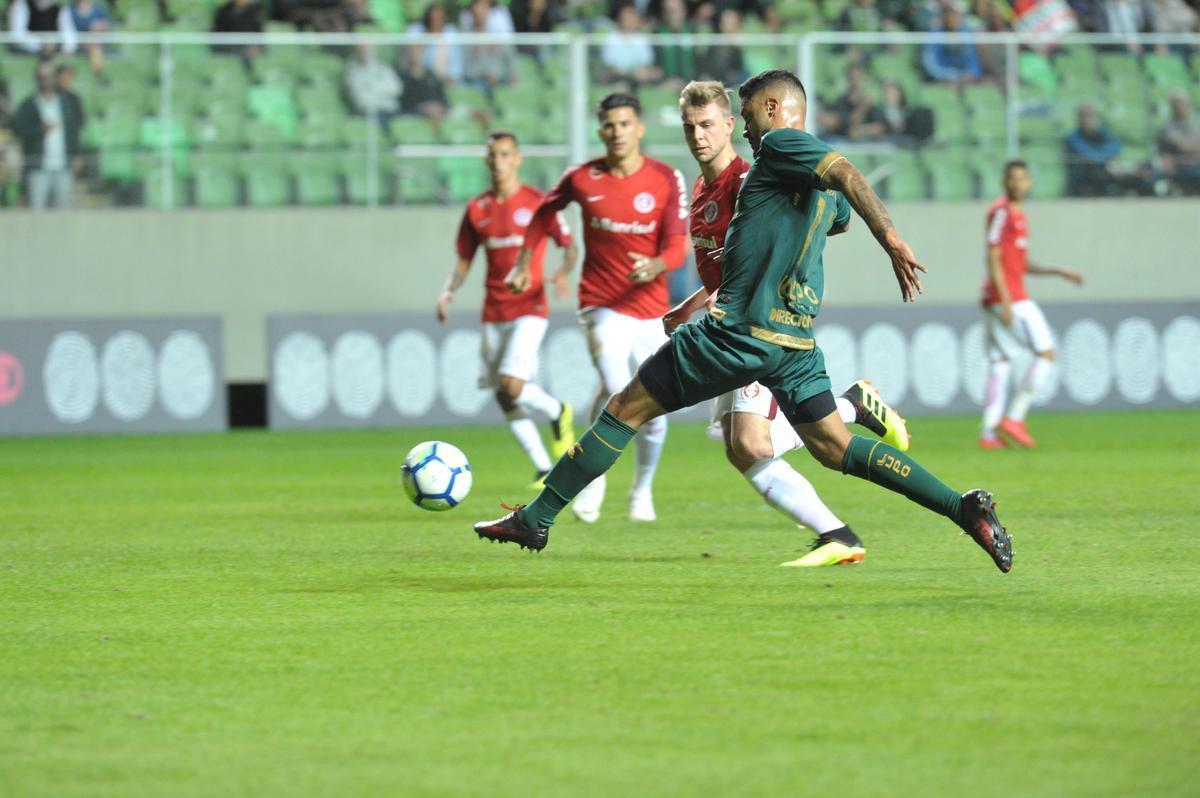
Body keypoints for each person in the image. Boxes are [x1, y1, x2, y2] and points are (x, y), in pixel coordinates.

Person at [474, 69, 1014, 575]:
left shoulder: (780, 144)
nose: (752, 132)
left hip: (739, 333)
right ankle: (962, 507)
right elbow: (837, 213)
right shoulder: (799, 181)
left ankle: (536, 519)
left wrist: (891, 238)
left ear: (773, 109)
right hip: (793, 340)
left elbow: (845, 172)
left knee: (624, 409)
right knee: (834, 447)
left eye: (750, 117)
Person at [664, 80, 911, 567]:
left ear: (731, 125)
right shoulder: (701, 188)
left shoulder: (748, 178)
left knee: (751, 443)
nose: (698, 136)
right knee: (742, 450)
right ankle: (836, 533)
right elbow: (729, 265)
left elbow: (776, 251)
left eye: (709, 124)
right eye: (690, 127)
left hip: (754, 328)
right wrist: (693, 304)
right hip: (723, 324)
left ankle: (853, 412)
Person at [503, 93, 690, 523]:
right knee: (614, 382)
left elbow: (677, 245)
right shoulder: (582, 178)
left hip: (650, 310)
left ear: (639, 128)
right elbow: (541, 215)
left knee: (649, 403)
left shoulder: (665, 179)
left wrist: (658, 264)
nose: (617, 132)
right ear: (600, 130)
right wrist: (522, 261)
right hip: (601, 305)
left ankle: (642, 490)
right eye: (609, 125)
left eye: (625, 123)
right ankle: (594, 477)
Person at [438, 131, 579, 485]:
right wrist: (447, 291)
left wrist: (561, 272)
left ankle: (557, 410)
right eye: (493, 155)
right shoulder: (477, 208)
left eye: (505, 155)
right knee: (503, 395)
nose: (499, 161)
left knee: (511, 384)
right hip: (494, 311)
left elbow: (568, 245)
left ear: (517, 159)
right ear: (487, 161)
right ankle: (544, 467)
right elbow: (464, 260)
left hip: (530, 307)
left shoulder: (538, 202)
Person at [979, 160, 1083, 450]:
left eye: (1024, 178)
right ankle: (1014, 418)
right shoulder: (1001, 212)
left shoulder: (1018, 215)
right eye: (1014, 178)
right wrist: (1007, 299)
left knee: (1000, 363)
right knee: (1046, 353)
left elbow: (1021, 263)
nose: (1019, 183)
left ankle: (989, 434)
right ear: (1005, 182)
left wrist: (1059, 271)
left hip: (1000, 296)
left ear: (1030, 182)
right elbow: (993, 256)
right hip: (1008, 298)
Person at [12, 60, 84, 210]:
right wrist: (40, 130)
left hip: (62, 164)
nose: (46, 81)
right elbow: (19, 130)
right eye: (42, 77)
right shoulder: (28, 105)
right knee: (37, 209)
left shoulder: (66, 104)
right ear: (37, 79)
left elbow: (73, 131)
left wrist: (76, 154)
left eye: (49, 76)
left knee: (63, 209)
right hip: (38, 165)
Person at [1064, 103, 1121, 196]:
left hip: (1104, 174)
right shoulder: (1072, 138)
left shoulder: (1103, 134)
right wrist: (1107, 160)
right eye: (1084, 116)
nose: (1088, 120)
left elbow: (1115, 147)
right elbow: (1090, 155)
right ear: (1078, 119)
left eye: (1090, 115)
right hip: (1082, 179)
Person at [599, 4, 661, 88]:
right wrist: (625, 73)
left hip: (639, 77)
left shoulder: (642, 39)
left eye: (632, 17)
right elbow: (609, 64)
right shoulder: (611, 38)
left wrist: (639, 72)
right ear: (620, 20)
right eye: (627, 18)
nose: (630, 21)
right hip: (616, 76)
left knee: (655, 73)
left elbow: (647, 63)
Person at [921, 1, 983, 84]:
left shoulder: (966, 34)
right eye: (949, 14)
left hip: (965, 80)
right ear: (943, 16)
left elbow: (973, 60)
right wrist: (945, 76)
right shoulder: (934, 34)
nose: (952, 18)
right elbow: (930, 62)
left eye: (955, 15)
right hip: (940, 81)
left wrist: (970, 74)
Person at [344, 43, 402, 124]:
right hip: (369, 114)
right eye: (361, 49)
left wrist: (370, 88)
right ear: (355, 51)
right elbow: (360, 100)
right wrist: (382, 88)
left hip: (391, 111)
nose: (364, 51)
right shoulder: (352, 73)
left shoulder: (383, 67)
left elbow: (396, 88)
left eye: (366, 48)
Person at [397, 45, 449, 133]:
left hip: (437, 108)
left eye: (417, 52)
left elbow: (442, 96)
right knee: (432, 113)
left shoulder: (431, 75)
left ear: (422, 53)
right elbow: (403, 102)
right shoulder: (402, 77)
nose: (414, 55)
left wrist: (441, 106)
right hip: (416, 112)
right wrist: (421, 108)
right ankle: (436, 140)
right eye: (412, 52)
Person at [1158, 90, 1200, 196]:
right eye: (1178, 103)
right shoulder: (1168, 127)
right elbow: (1183, 146)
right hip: (1179, 166)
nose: (1181, 106)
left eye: (1184, 103)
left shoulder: (1193, 125)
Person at [7, 0, 78, 57]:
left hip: (54, 51)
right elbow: (17, 36)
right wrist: (40, 44)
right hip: (27, 52)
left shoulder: (60, 9)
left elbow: (70, 37)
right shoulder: (20, 5)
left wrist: (58, 46)